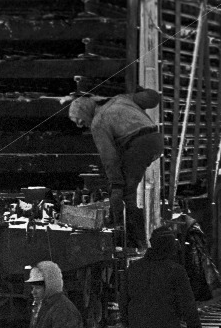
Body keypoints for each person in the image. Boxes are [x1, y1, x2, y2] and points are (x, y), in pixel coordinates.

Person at [69, 89, 164, 250]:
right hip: (156, 139)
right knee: (128, 188)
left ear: (85, 111)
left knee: (125, 195)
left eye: (78, 119)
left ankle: (134, 243)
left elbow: (109, 157)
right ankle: (134, 238)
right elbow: (153, 99)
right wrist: (142, 92)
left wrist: (116, 184)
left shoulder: (98, 122)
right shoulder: (121, 99)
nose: (79, 125)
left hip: (139, 145)